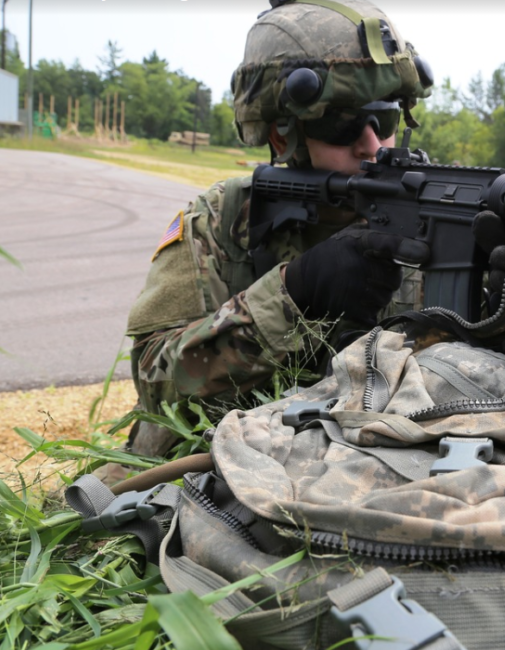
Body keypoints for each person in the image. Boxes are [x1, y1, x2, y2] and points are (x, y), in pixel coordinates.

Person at [123, 0, 434, 457]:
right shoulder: (223, 220)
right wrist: (292, 294)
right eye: (341, 124)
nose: (372, 145)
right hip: (224, 462)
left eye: (384, 117)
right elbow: (158, 385)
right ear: (281, 135)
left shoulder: (434, 213)